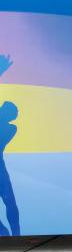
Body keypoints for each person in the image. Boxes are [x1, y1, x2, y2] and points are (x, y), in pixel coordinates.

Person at [0, 101, 20, 237]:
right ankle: (5, 232)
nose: (16, 115)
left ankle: (16, 234)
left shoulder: (11, 128)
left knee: (10, 203)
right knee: (10, 203)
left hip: (1, 172)